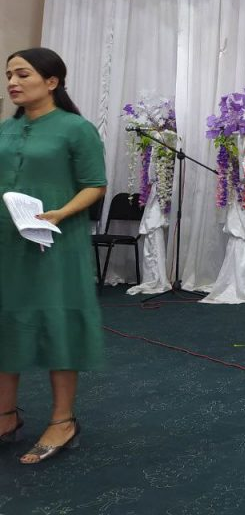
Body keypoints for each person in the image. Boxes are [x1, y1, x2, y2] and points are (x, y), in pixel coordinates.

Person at [0, 48, 107, 464]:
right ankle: (6, 415)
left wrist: (60, 212)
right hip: (6, 242)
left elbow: (95, 184)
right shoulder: (6, 129)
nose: (12, 82)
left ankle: (63, 420)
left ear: (51, 82)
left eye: (22, 74)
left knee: (57, 322)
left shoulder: (76, 129)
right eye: (9, 74)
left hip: (55, 242)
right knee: (5, 321)